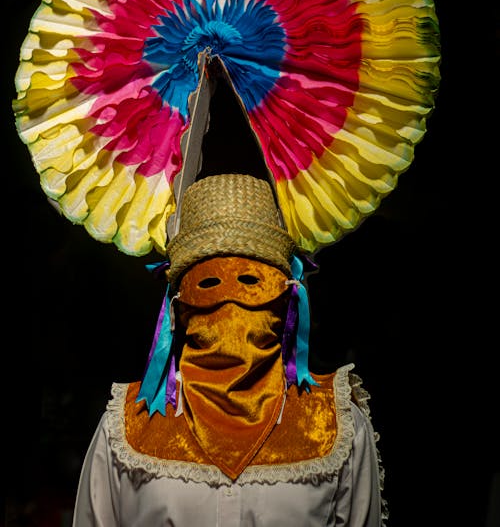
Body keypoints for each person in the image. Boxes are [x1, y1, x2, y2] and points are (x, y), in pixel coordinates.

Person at [72, 173, 386, 526]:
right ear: (178, 305)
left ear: (286, 296)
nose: (231, 306)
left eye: (251, 282)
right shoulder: (127, 430)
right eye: (209, 284)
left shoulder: (335, 426)